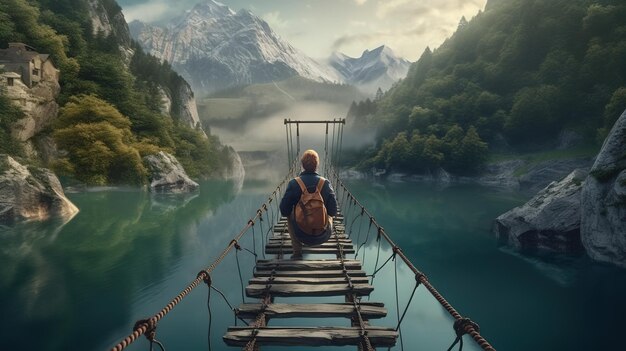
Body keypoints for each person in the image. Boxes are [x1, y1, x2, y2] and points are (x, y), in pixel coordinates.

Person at [280, 149, 338, 259]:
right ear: (317, 165)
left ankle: (297, 252)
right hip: (324, 235)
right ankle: (321, 225)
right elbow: (333, 211)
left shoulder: (294, 183)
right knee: (329, 211)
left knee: (289, 213)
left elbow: (284, 211)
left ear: (302, 165)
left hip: (300, 235)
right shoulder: (325, 183)